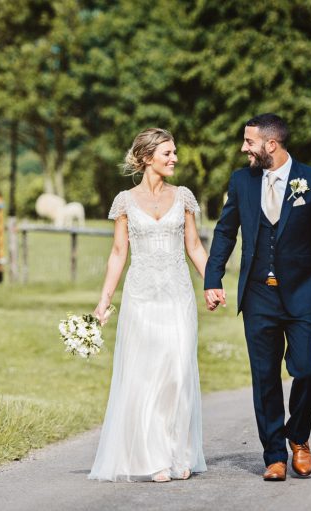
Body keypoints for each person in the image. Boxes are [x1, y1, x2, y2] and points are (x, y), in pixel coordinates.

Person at [204, 113, 311, 481]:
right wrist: (213, 277)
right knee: (265, 376)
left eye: (249, 142)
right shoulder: (241, 181)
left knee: (305, 369)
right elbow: (225, 232)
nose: (244, 148)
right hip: (257, 296)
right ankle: (274, 455)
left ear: (271, 145)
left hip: (303, 293)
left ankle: (298, 438)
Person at [88, 128, 208, 483]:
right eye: (167, 153)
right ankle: (154, 456)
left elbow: (195, 247)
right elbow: (117, 254)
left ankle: (179, 452)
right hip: (141, 298)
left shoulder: (183, 197)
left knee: (179, 372)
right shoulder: (125, 201)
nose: (174, 158)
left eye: (174, 153)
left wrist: (212, 283)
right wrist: (104, 300)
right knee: (147, 374)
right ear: (146, 158)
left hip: (178, 296)